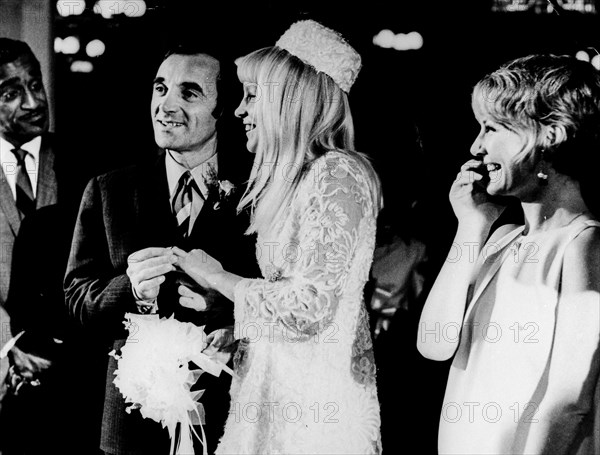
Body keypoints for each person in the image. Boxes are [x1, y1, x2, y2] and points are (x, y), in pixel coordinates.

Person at [173, 19, 383, 455]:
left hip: (312, 410)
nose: (239, 111)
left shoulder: (337, 174)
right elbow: (289, 302)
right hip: (275, 395)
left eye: (252, 97)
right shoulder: (304, 179)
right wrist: (240, 330)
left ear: (291, 102)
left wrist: (218, 278)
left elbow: (309, 307)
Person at [64, 43, 257, 455]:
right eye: (160, 88)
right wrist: (129, 289)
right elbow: (76, 300)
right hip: (133, 420)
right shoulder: (109, 190)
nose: (165, 106)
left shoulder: (257, 190)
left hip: (231, 415)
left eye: (189, 93)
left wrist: (229, 310)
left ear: (223, 109)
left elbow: (283, 295)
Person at [417, 54, 600, 454]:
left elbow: (570, 400)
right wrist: (471, 225)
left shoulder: (582, 243)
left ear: (550, 135)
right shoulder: (501, 241)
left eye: (492, 128)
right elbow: (434, 343)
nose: (476, 146)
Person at [0, 37, 94, 455]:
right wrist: (8, 347)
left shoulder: (88, 163)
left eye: (35, 85)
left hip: (79, 381)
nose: (33, 101)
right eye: (11, 93)